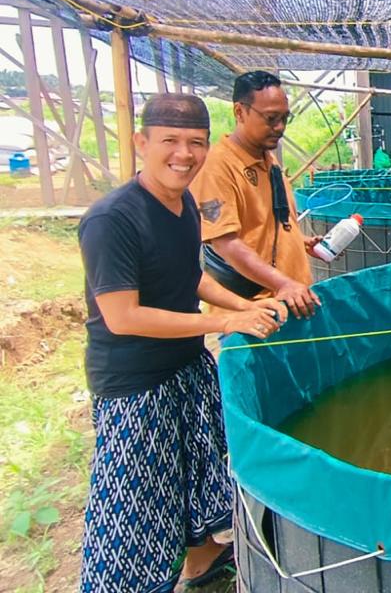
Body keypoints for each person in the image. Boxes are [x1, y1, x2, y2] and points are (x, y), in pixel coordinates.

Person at [78, 93, 286, 592]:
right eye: (169, 141)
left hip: (185, 363)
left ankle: (201, 561)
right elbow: (123, 317)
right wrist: (223, 322)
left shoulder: (184, 203)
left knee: (193, 472)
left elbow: (190, 277)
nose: (184, 154)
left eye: (196, 143)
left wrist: (243, 308)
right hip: (134, 383)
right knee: (135, 504)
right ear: (141, 142)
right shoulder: (112, 219)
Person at [190, 70, 322, 318]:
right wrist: (283, 283)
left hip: (290, 300)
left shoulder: (268, 160)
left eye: (285, 118)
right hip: (252, 311)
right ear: (240, 112)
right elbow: (226, 243)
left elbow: (263, 225)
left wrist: (298, 242)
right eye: (271, 118)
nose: (279, 127)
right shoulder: (217, 168)